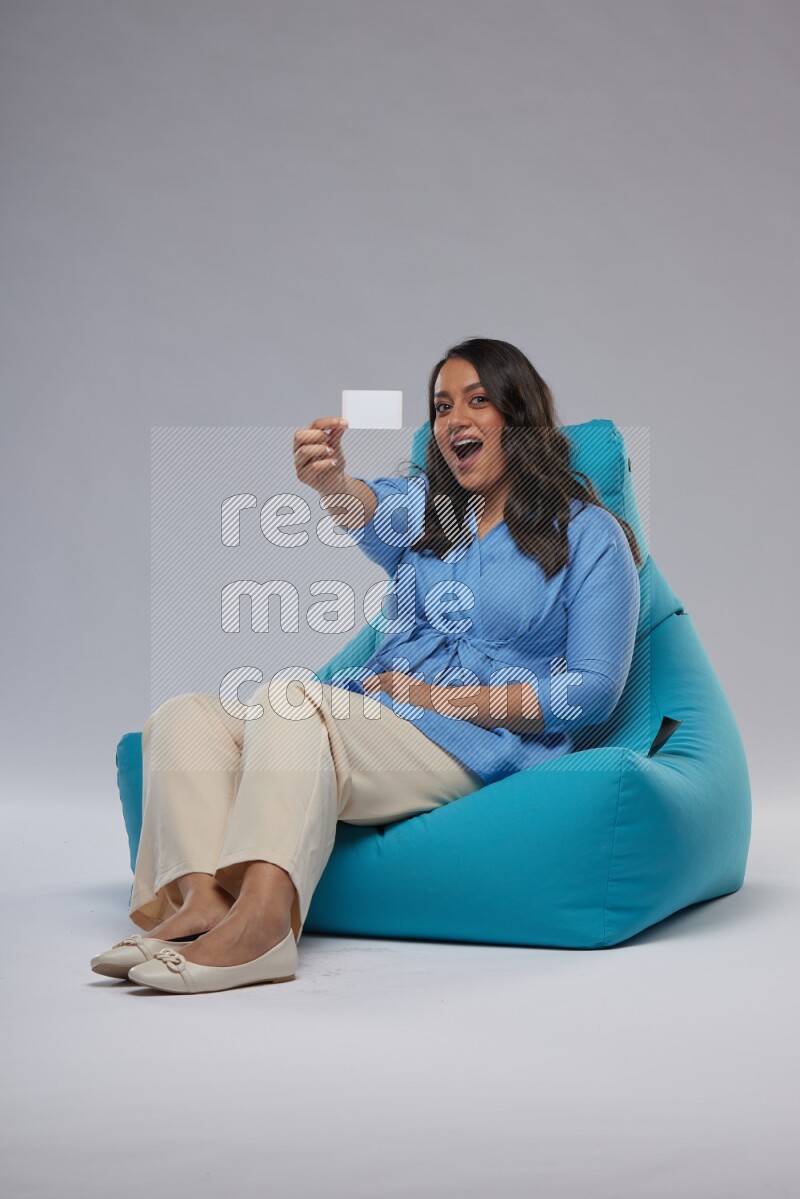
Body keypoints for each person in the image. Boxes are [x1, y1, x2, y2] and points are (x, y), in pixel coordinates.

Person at [90, 337, 641, 994]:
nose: (453, 420)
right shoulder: (435, 514)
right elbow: (371, 509)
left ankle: (262, 928)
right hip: (376, 715)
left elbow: (592, 691)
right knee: (185, 717)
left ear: (518, 416)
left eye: (478, 401)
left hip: (474, 742)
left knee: (293, 698)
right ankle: (201, 901)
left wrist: (438, 700)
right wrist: (330, 483)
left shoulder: (589, 533)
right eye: (441, 407)